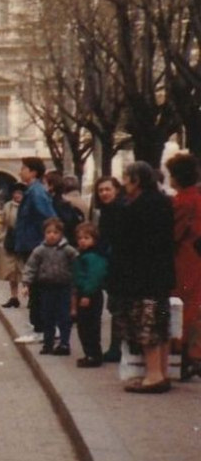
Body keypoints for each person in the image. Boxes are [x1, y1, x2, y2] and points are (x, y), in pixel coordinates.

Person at [117, 160, 175, 394]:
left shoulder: (138, 207)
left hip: (143, 276)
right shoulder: (163, 202)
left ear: (136, 180)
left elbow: (130, 244)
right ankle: (162, 372)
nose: (124, 183)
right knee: (161, 323)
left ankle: (152, 377)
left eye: (126, 178)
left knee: (146, 324)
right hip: (162, 275)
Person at [12, 157, 56, 342]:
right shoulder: (33, 191)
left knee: (37, 289)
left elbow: (48, 218)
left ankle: (41, 329)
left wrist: (44, 242)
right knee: (35, 288)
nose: (20, 172)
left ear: (33, 172)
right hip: (31, 244)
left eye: (24, 168)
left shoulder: (36, 193)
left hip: (34, 246)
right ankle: (40, 326)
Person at [165, 152, 200, 380]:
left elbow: (173, 234)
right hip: (197, 257)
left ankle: (186, 353)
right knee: (196, 306)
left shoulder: (181, 202)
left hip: (184, 258)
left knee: (182, 307)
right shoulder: (197, 197)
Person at [22, 216, 75, 356]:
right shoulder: (40, 250)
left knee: (64, 317)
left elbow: (77, 264)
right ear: (44, 234)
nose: (52, 235)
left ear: (61, 234)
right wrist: (26, 283)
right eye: (48, 232)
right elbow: (30, 267)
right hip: (46, 287)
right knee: (47, 316)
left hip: (64, 287)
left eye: (55, 233)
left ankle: (64, 343)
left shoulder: (68, 250)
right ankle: (48, 343)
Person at [92, 175, 129, 363]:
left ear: (116, 189)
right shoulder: (107, 211)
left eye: (108, 189)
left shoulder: (119, 210)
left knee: (119, 306)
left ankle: (117, 348)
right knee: (116, 306)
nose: (104, 193)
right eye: (101, 190)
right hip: (113, 265)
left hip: (120, 265)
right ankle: (117, 346)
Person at [71, 221, 109, 367]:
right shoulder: (84, 255)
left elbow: (94, 276)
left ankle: (93, 355)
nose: (82, 241)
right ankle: (90, 354)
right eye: (80, 238)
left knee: (89, 326)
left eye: (86, 238)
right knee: (84, 326)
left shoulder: (93, 257)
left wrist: (86, 294)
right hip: (84, 293)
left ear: (94, 239)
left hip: (90, 295)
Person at [0, 183, 26, 307]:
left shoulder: (27, 205)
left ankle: (29, 295)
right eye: (16, 193)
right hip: (10, 239)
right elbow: (2, 222)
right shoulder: (8, 206)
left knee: (24, 269)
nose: (17, 195)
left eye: (20, 193)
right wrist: (0, 237)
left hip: (24, 239)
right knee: (12, 271)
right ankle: (14, 296)